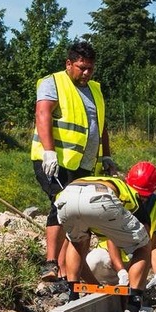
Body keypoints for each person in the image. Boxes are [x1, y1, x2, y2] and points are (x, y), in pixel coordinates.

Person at [31, 39, 119, 282]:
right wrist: (49, 151)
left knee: (78, 215)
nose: (87, 73)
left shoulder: (95, 90)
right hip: (55, 161)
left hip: (84, 164)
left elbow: (101, 126)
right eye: (82, 68)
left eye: (90, 68)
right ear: (69, 63)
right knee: (62, 205)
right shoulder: (53, 83)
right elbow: (42, 113)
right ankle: (50, 264)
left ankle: (66, 272)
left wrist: (106, 155)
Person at [85, 161, 156, 312]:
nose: (141, 199)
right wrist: (122, 272)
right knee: (93, 260)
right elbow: (112, 241)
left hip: (142, 259)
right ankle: (109, 290)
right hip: (114, 260)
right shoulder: (117, 201)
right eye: (138, 194)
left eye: (145, 196)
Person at [54, 173, 156, 312]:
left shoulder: (106, 180)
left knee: (77, 240)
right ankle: (133, 309)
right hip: (99, 198)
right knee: (143, 244)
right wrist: (135, 278)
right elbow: (144, 234)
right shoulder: (132, 194)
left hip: (67, 196)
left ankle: (73, 296)